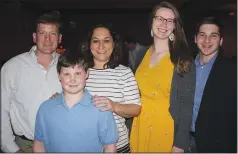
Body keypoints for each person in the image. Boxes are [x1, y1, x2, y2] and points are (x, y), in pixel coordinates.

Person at [130, 1, 196, 152]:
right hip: (139, 124)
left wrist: (180, 144)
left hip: (166, 127)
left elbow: (186, 106)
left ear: (175, 26)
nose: (164, 24)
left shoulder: (183, 59)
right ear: (151, 21)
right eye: (159, 18)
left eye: (170, 20)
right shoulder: (142, 54)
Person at [33, 49, 119, 152]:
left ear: (87, 73)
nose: (72, 79)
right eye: (66, 74)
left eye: (78, 73)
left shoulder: (101, 109)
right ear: (59, 75)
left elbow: (110, 147)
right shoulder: (45, 109)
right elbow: (39, 144)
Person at [1, 11, 62, 152]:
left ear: (59, 38)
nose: (47, 39)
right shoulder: (12, 67)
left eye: (52, 33)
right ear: (34, 37)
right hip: (26, 145)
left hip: (62, 143)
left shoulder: (69, 66)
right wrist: (12, 149)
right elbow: (1, 110)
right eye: (42, 33)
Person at [85, 24, 141, 153]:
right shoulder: (79, 72)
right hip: (86, 147)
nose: (101, 46)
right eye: (95, 41)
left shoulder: (124, 73)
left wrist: (114, 106)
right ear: (89, 45)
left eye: (106, 41)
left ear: (113, 44)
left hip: (119, 147)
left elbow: (136, 109)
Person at [189, 16, 237, 153]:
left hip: (218, 144)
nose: (207, 40)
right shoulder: (185, 68)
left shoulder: (233, 70)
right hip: (185, 142)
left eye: (213, 36)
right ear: (195, 39)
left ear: (221, 41)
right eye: (202, 35)